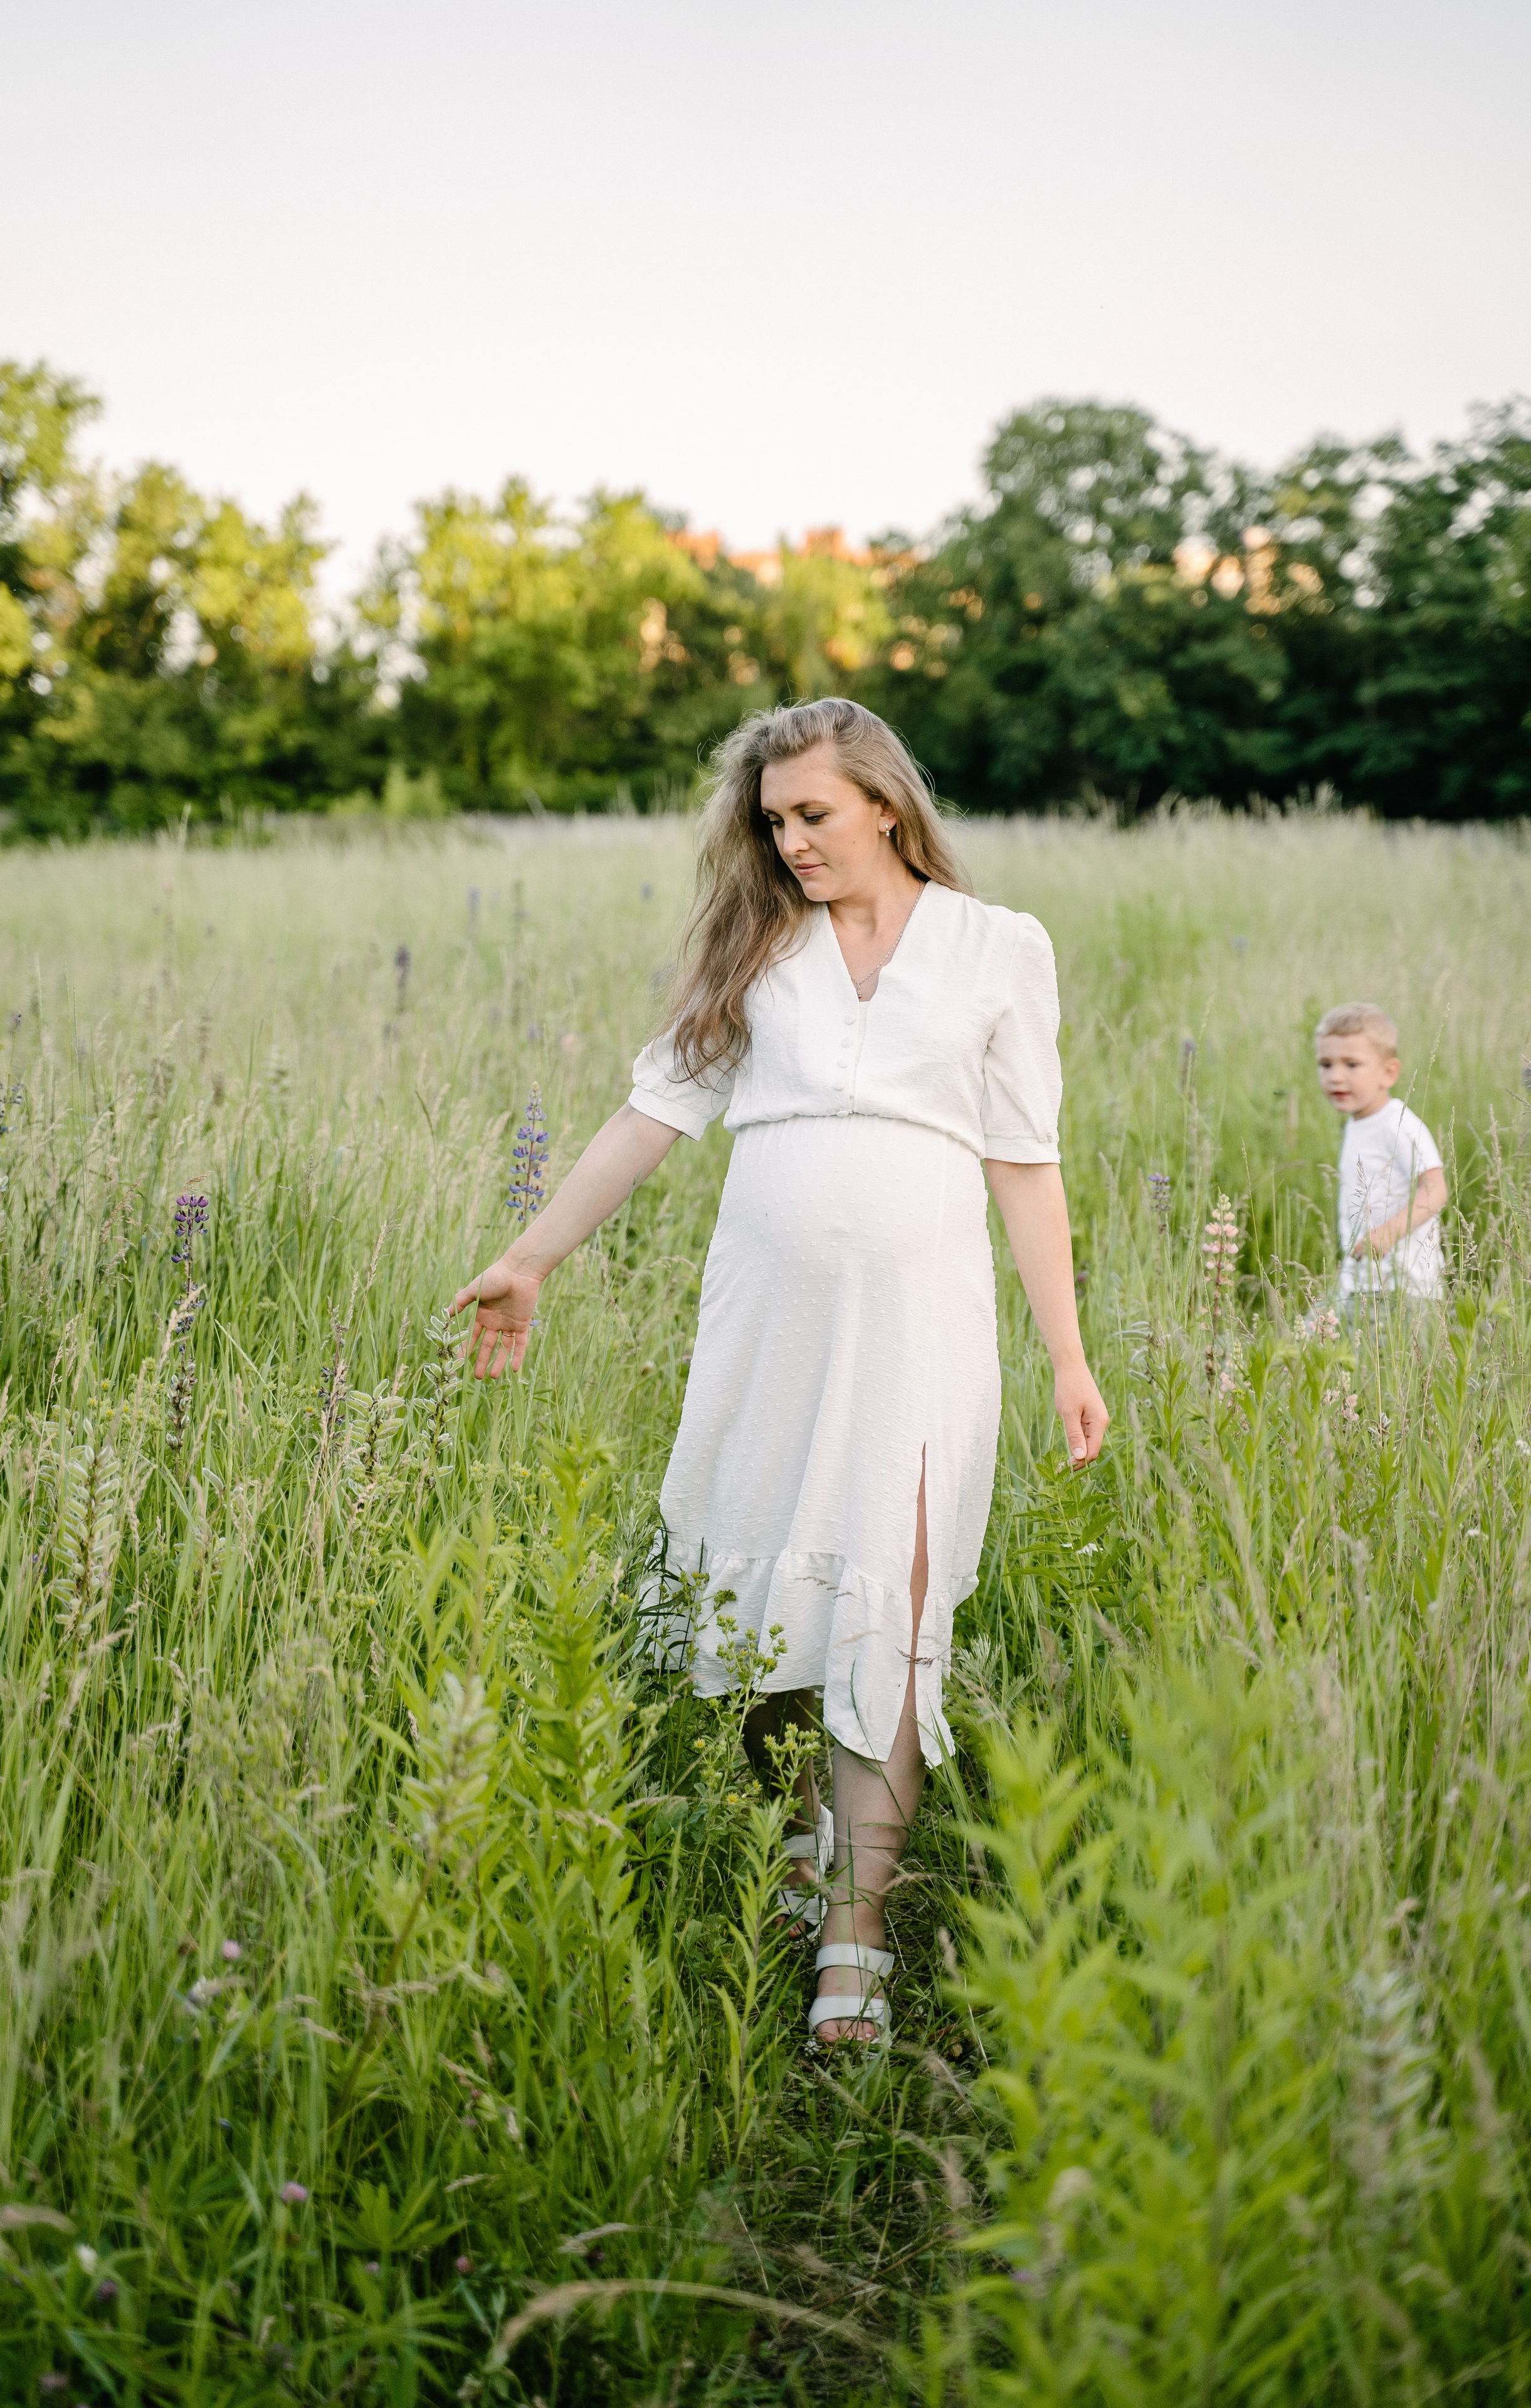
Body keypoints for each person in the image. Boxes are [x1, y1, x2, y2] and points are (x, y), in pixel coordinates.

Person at [453, 699, 1108, 2045]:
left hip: (922, 1323)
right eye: (772, 823)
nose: (791, 842)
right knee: (762, 1579)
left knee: (892, 1585)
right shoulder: (760, 943)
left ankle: (855, 1930)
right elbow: (656, 1110)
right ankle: (800, 1847)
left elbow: (1024, 1156)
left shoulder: (997, 948)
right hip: (764, 1315)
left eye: (812, 814)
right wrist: (532, 1258)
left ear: (883, 800)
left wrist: (1065, 1356)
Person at [1315, 1001, 1448, 1318]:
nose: (1335, 1077)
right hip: (1360, 1286)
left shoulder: (1397, 1123)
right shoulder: (1358, 1122)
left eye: (1351, 1064)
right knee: (1302, 1348)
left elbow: (1436, 1188)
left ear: (1388, 1073)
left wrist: (1389, 1232)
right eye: (1325, 1064)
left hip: (1404, 1292)